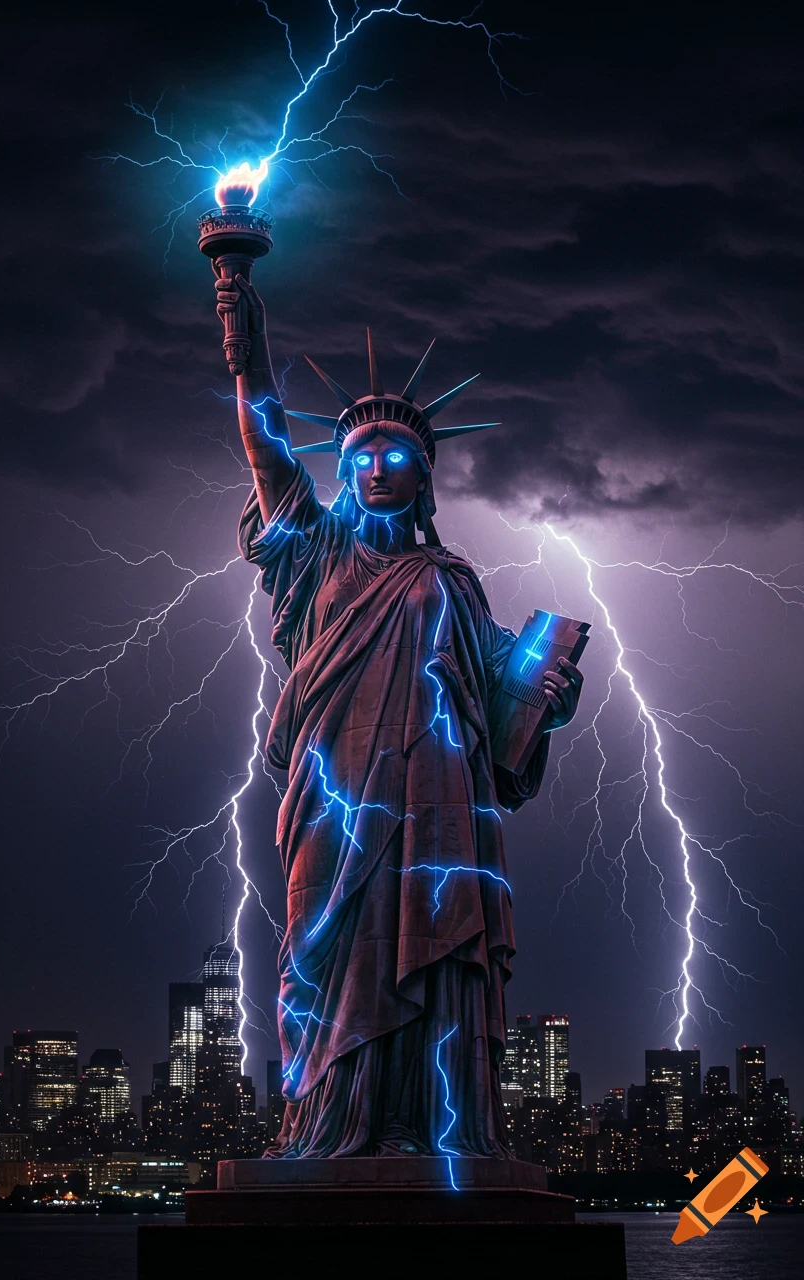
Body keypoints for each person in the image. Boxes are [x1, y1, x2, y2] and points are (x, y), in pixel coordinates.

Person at [216, 271, 583, 1158]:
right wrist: (239, 312)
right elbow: (265, 444)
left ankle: (424, 1127)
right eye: (361, 460)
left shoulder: (450, 581)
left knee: (436, 950)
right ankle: (331, 1129)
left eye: (397, 459)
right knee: (324, 952)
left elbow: (502, 710)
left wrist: (550, 698)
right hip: (333, 797)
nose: (378, 471)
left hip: (438, 808)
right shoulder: (314, 554)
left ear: (424, 476)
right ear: (343, 476)